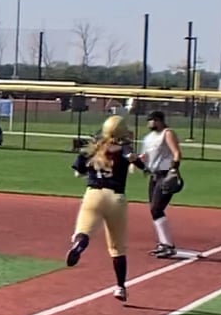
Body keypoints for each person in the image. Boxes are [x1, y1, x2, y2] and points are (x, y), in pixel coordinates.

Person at [66, 115, 137, 302]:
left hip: (93, 194)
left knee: (83, 232)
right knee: (117, 248)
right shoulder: (124, 150)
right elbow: (136, 164)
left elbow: (77, 172)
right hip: (116, 197)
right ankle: (120, 287)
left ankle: (80, 245)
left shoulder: (93, 148)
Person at [138, 110, 184, 258]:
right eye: (149, 120)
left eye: (152, 120)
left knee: (156, 208)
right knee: (154, 210)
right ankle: (164, 244)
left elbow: (176, 153)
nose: (150, 123)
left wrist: (174, 169)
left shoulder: (167, 133)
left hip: (165, 174)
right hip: (154, 176)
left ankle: (168, 245)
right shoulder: (148, 138)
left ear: (159, 121)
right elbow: (145, 156)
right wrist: (140, 161)